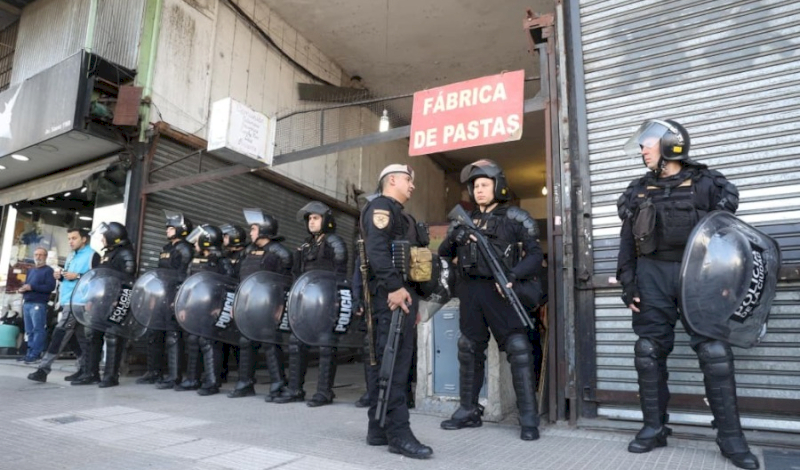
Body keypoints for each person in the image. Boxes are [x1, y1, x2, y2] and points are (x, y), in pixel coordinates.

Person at [616, 119, 757, 469]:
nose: (642, 149)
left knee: (714, 352)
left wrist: (729, 281)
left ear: (670, 145)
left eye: (648, 143)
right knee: (648, 350)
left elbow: (730, 236)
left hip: (700, 275)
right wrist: (628, 284)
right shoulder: (636, 190)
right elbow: (626, 243)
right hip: (652, 275)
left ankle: (731, 438)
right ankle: (654, 427)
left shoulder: (708, 183)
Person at [438, 159, 544, 441]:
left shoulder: (516, 218)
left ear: (498, 186)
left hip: (501, 291)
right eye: (475, 186)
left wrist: (513, 276)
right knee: (468, 348)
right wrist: (456, 236)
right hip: (470, 292)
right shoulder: (463, 220)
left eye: (485, 185)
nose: (479, 190)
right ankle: (468, 410)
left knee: (519, 349)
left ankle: (529, 417)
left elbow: (535, 255)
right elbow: (443, 252)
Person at [361, 164, 432, 459]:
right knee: (395, 366)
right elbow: (376, 250)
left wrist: (414, 299)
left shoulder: (404, 216)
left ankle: (378, 428)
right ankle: (398, 434)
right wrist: (393, 287)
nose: (412, 185)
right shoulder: (380, 207)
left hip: (402, 297)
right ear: (392, 180)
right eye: (408, 180)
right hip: (391, 297)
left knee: (389, 364)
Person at [273, 201, 348, 406]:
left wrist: (339, 303)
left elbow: (341, 276)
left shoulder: (335, 243)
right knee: (296, 343)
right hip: (305, 302)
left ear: (326, 220)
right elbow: (296, 276)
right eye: (310, 219)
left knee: (326, 345)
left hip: (327, 303)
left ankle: (324, 393)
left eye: (316, 218)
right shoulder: (305, 246)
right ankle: (295, 389)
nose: (311, 222)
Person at [28, 228, 100, 383]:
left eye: (74, 238)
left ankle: (43, 369)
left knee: (59, 334)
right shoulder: (71, 256)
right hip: (67, 300)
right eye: (69, 238)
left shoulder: (93, 255)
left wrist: (78, 276)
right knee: (77, 337)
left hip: (80, 301)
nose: (70, 241)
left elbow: (98, 279)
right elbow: (69, 277)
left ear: (84, 239)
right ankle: (84, 369)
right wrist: (60, 276)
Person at [71, 222, 137, 388]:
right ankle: (91, 373)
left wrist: (120, 299)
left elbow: (128, 279)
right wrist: (91, 299)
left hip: (117, 300)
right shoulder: (107, 253)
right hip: (102, 300)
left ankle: (111, 376)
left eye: (104, 236)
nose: (101, 239)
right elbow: (99, 278)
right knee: (93, 334)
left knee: (113, 336)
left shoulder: (126, 253)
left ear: (113, 237)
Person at [237, 210, 293, 400]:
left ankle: (278, 385)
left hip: (269, 306)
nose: (250, 232)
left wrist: (280, 307)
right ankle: (245, 383)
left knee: (270, 343)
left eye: (253, 228)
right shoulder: (247, 251)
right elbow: (241, 280)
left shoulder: (281, 253)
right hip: (247, 305)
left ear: (264, 229)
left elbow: (286, 284)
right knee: (246, 342)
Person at [139, 211, 194, 388]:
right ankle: (154, 371)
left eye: (171, 227)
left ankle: (174, 376)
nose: (168, 230)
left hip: (174, 296)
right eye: (168, 227)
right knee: (154, 333)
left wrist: (178, 298)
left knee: (173, 335)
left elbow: (185, 275)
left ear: (182, 229)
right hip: (162, 295)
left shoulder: (185, 249)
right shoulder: (166, 248)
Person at [17, 247, 56, 363]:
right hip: (27, 302)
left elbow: (50, 287)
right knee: (29, 330)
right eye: (36, 254)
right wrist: (23, 289)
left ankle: (35, 354)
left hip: (38, 303)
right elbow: (27, 284)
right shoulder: (31, 270)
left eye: (41, 255)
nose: (38, 257)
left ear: (45, 257)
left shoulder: (49, 271)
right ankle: (30, 353)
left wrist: (32, 287)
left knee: (38, 329)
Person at [220, 222, 248, 385]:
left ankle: (243, 376)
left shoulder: (245, 256)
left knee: (239, 341)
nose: (222, 239)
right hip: (224, 300)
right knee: (222, 337)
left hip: (239, 301)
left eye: (225, 235)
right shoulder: (223, 256)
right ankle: (221, 373)